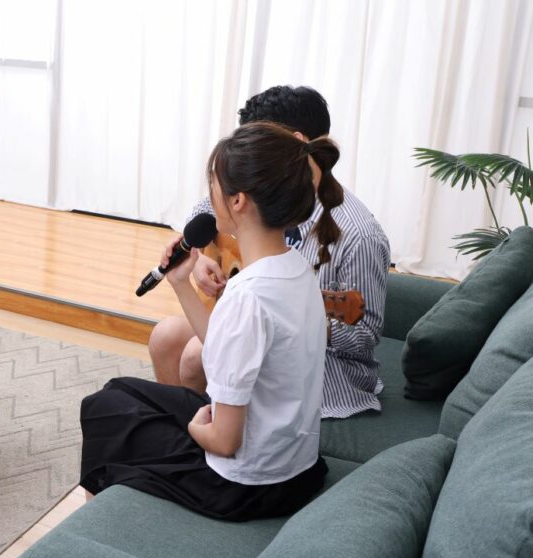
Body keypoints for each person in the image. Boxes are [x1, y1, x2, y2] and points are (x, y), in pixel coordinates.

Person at [79, 122, 341, 520]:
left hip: (245, 485)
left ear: (238, 202)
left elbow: (223, 440)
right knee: (122, 390)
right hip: (297, 470)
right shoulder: (298, 270)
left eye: (213, 186)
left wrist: (195, 428)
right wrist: (182, 282)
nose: (209, 197)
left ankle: (102, 527)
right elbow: (224, 351)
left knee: (103, 410)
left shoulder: (248, 296)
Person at [150, 85, 390, 419]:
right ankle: (179, 434)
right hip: (253, 326)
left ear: (295, 143)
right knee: (165, 337)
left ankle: (209, 443)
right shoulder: (261, 188)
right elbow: (207, 210)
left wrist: (298, 311)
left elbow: (363, 336)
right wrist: (200, 257)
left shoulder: (359, 235)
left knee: (195, 354)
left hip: (324, 370)